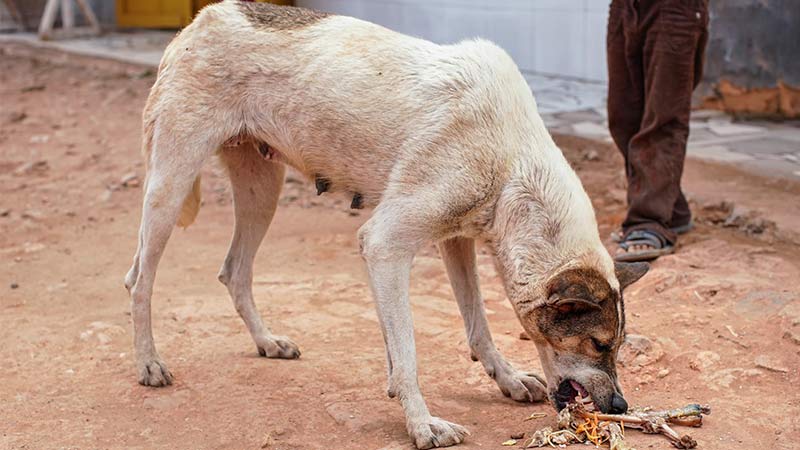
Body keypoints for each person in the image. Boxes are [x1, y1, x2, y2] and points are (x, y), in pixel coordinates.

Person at [606, 0, 709, 262]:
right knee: (623, 117)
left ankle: (649, 220)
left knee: (663, 119)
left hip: (675, 8)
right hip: (624, 8)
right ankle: (674, 211)